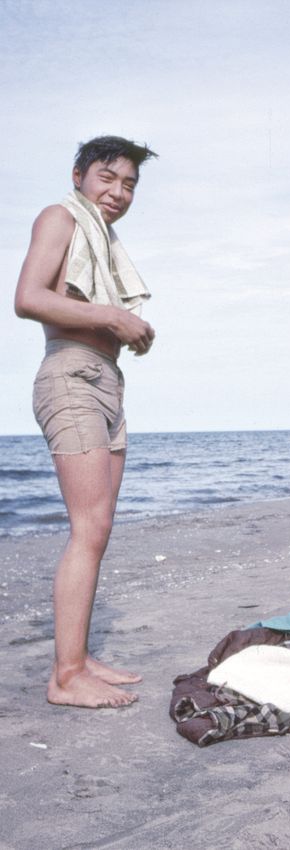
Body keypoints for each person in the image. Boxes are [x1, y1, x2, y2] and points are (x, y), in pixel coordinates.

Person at [14, 136, 158, 707]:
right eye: (106, 177)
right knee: (87, 528)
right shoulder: (59, 217)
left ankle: (77, 656)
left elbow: (103, 319)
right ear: (78, 176)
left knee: (98, 530)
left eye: (128, 185)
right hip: (71, 378)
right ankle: (66, 677)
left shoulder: (104, 236)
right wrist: (110, 316)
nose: (117, 192)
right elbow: (26, 297)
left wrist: (128, 333)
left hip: (104, 381)